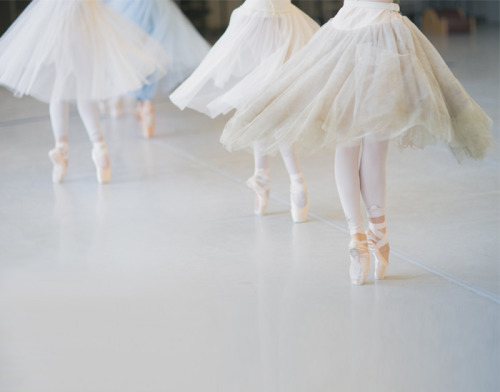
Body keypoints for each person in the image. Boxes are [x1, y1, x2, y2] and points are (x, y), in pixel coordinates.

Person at [221, 0, 493, 284]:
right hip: (385, 31)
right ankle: (378, 232)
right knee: (375, 149)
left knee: (347, 142)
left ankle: (357, 237)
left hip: (345, 31)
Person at [170, 0, 319, 222]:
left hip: (259, 19)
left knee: (259, 103)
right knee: (268, 103)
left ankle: (274, 179)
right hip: (284, 19)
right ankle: (286, 181)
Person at [0, 0, 167, 183]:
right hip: (84, 15)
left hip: (59, 14)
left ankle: (62, 148)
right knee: (83, 90)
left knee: (60, 90)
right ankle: (99, 149)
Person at [102, 0, 210, 138]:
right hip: (155, 6)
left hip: (126, 5)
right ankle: (146, 104)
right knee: (152, 53)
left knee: (131, 53)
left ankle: (129, 101)